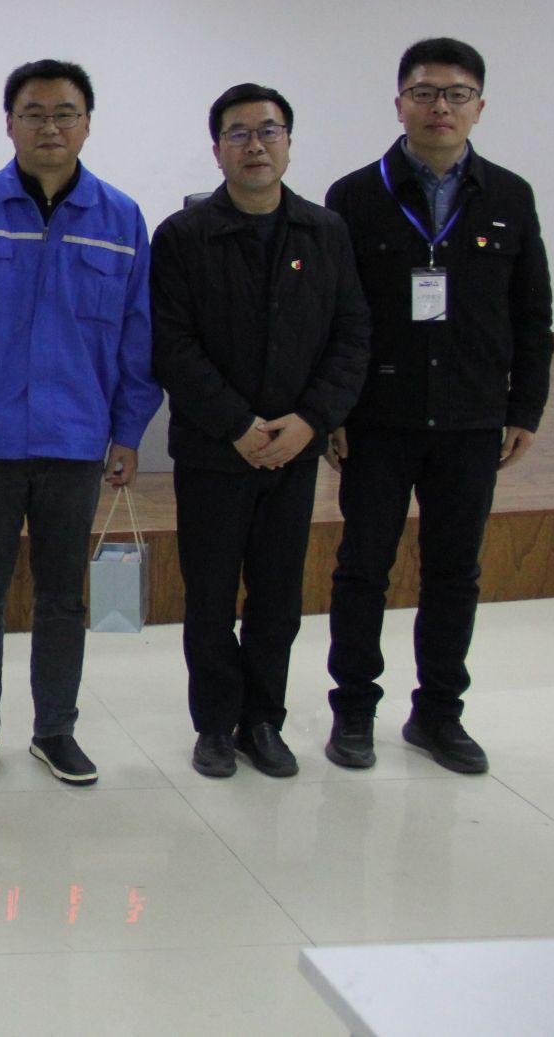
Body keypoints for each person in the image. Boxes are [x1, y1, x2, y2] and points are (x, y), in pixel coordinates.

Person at [0, 58, 158, 787]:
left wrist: (128, 430)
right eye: (34, 113)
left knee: (62, 596)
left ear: (86, 123)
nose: (50, 127)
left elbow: (138, 335)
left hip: (77, 440)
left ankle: (55, 730)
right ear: (9, 123)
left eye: (65, 114)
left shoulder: (121, 219)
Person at [322, 37, 552, 775]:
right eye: (424, 93)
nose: (440, 107)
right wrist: (331, 411)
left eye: (457, 94)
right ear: (399, 105)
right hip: (376, 419)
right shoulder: (354, 196)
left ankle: (439, 714)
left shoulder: (509, 195)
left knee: (455, 573)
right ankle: (354, 711)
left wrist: (525, 407)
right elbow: (332, 315)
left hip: (471, 417)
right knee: (363, 569)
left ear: (479, 107)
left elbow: (532, 312)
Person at [151, 84, 368, 780]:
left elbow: (352, 336)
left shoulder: (325, 232)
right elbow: (172, 345)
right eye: (238, 133)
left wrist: (311, 421)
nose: (255, 145)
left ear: (288, 144)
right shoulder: (183, 237)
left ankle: (263, 720)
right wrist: (238, 425)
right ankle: (216, 725)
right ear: (216, 149)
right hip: (215, 450)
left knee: (277, 597)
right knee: (211, 597)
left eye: (268, 131)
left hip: (294, 450)